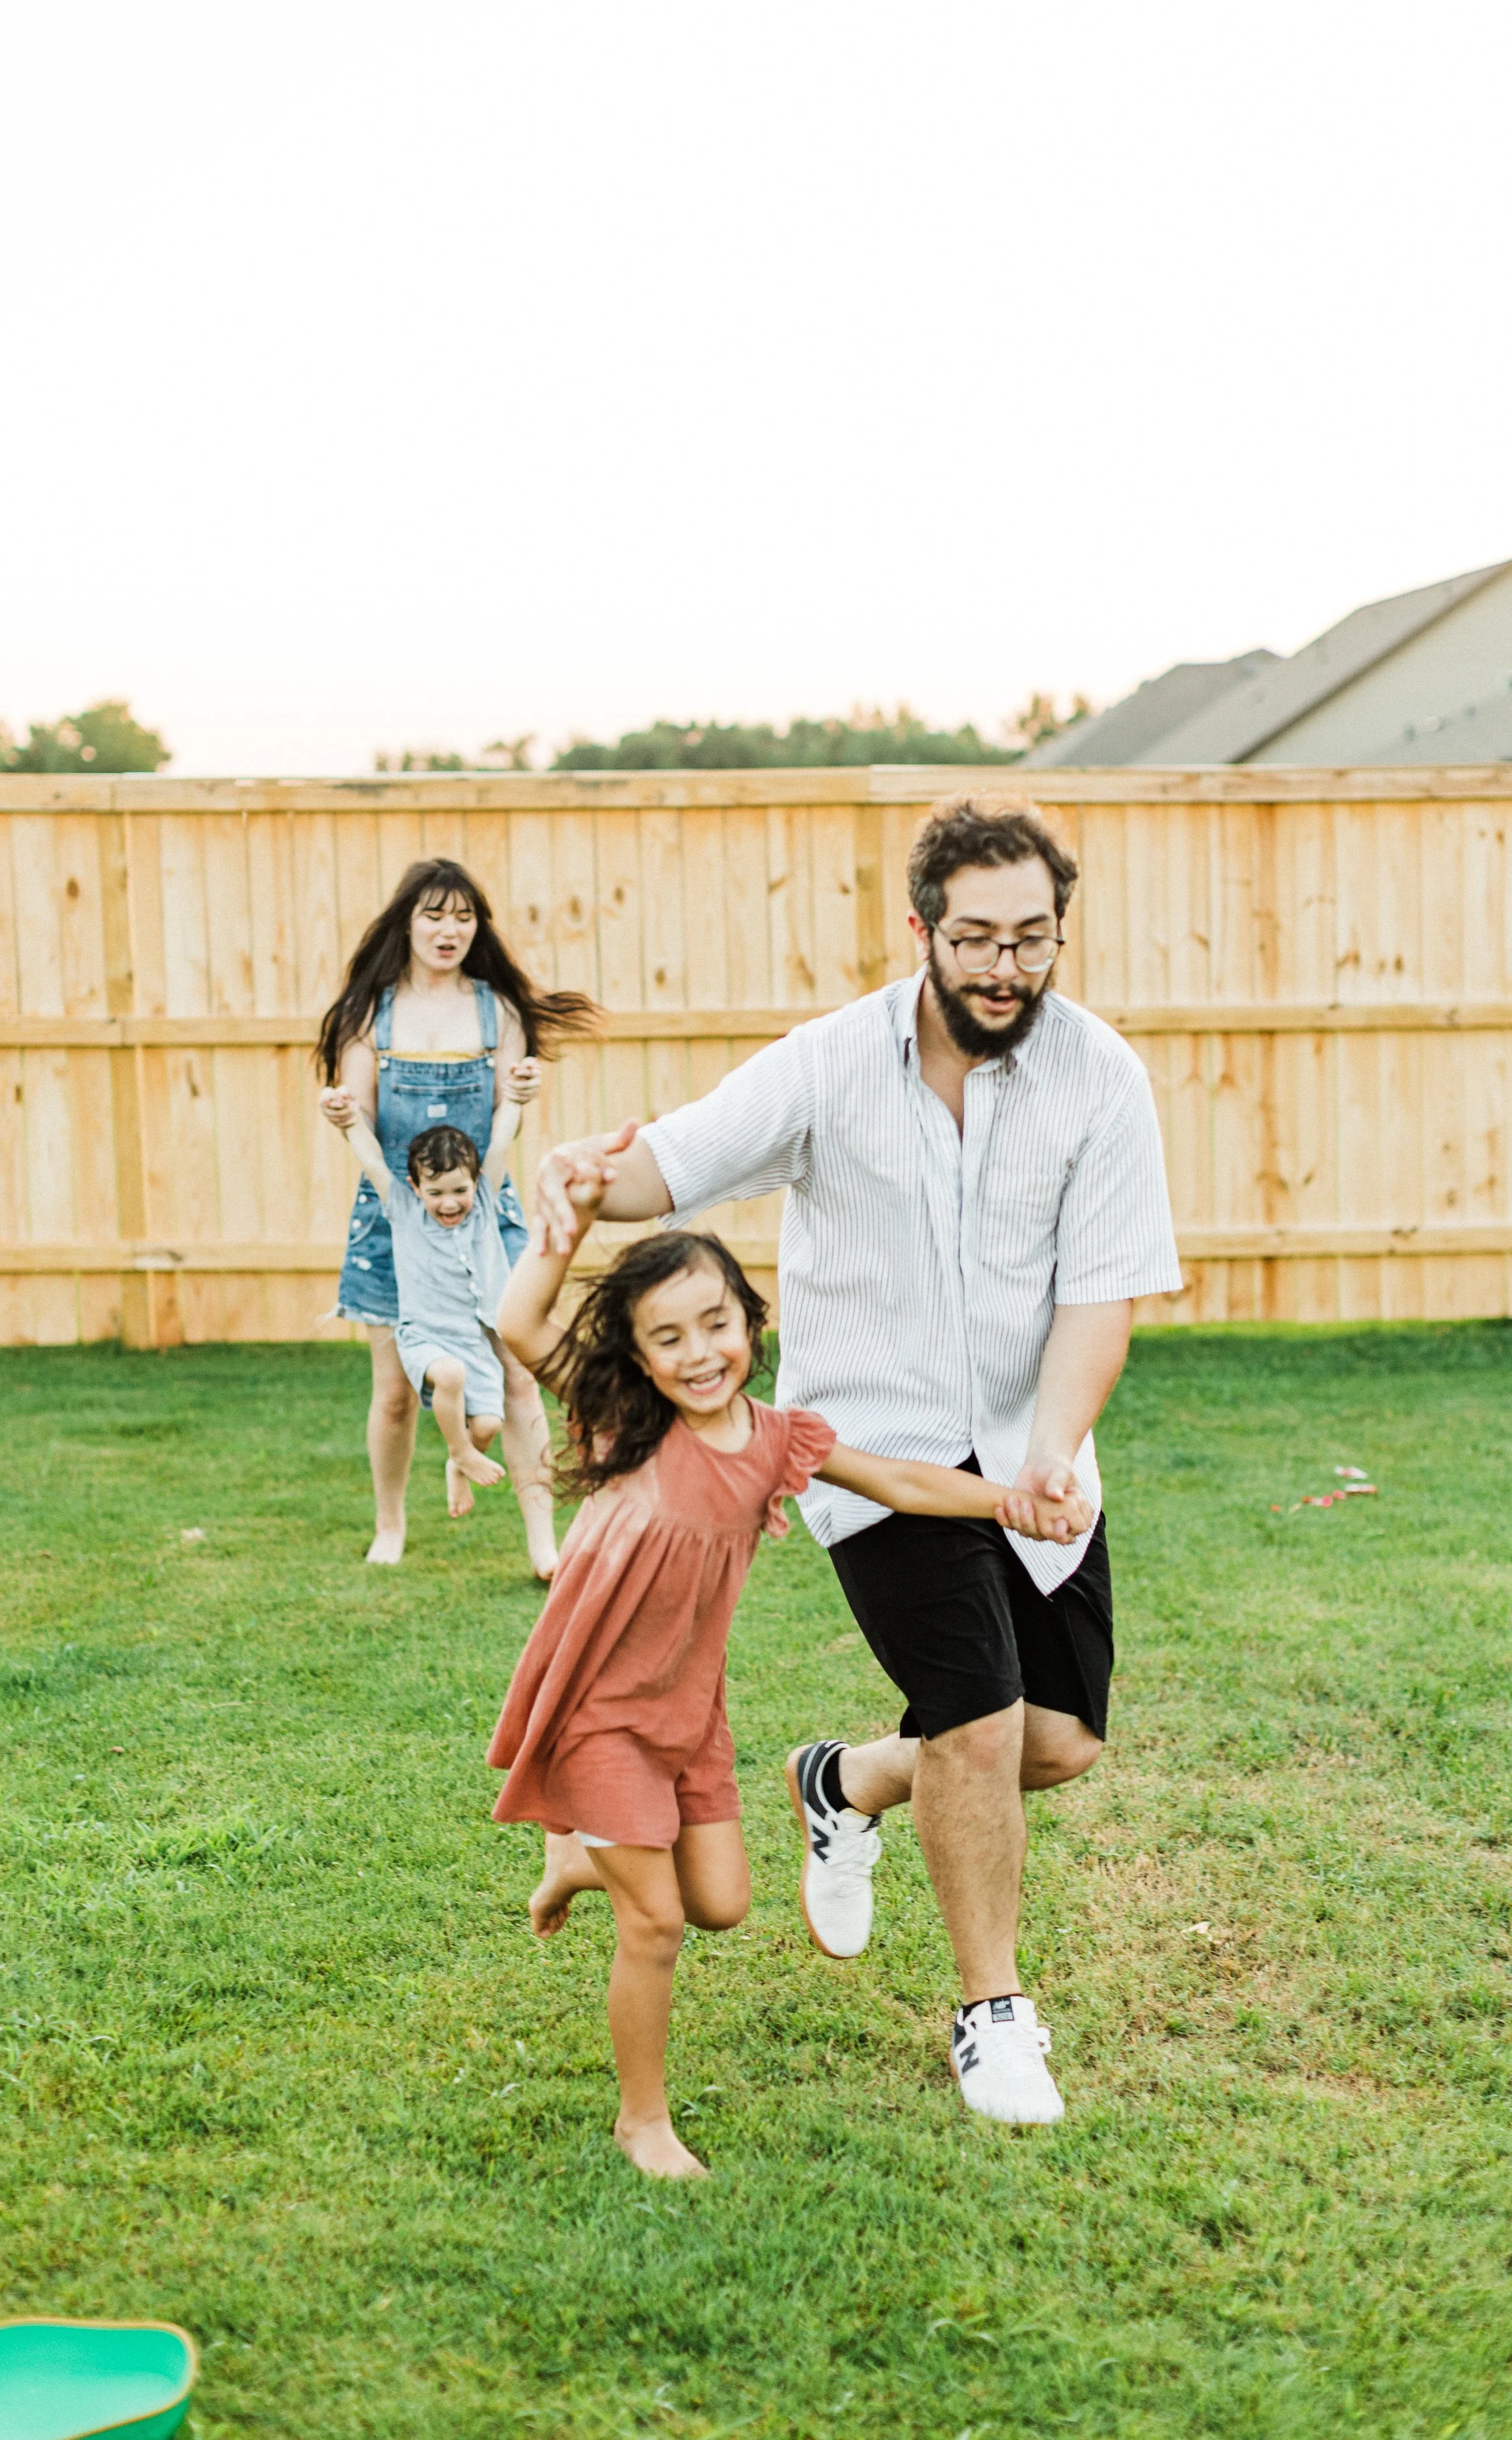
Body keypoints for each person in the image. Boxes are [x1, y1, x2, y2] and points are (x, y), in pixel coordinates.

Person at [528, 795, 1183, 2127]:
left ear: (1059, 935)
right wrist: (581, 1173)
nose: (1004, 967)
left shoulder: (1098, 1077)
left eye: (1032, 940)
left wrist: (1052, 1447)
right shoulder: (830, 1065)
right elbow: (674, 1162)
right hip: (869, 1455)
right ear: (921, 930)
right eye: (976, 938)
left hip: (1026, 1455)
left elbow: (1101, 1293)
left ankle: (839, 1781)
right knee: (978, 1719)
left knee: (1052, 1745)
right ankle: (992, 2015)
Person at [489, 1169, 1090, 2178]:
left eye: (713, 1322)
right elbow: (517, 1319)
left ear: (751, 1320)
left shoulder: (776, 1438)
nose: (697, 1352)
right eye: (665, 1337)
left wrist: (1008, 1503)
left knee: (720, 1900)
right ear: (635, 1356)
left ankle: (588, 1855)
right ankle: (643, 2120)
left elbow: (895, 1479)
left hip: (689, 1713)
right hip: (602, 1711)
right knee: (661, 1924)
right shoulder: (626, 1424)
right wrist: (569, 1221)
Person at [316, 857, 597, 1573]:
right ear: (406, 923)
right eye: (434, 915)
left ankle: (543, 1543)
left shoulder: (494, 1010)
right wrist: (340, 1113)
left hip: (486, 1213)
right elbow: (359, 1121)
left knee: (516, 1377)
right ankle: (390, 1526)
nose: (450, 930)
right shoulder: (367, 1012)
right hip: (396, 1222)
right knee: (395, 1393)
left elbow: (507, 1111)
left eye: (464, 917)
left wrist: (522, 1095)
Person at [320, 1089, 520, 1523]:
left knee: (488, 1425)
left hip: (472, 1338)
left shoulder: (485, 1203)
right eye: (436, 1192)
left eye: (459, 1190)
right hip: (424, 1336)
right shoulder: (405, 1211)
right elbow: (373, 1162)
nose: (450, 1203)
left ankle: (460, 1464)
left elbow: (502, 1142)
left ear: (476, 1181)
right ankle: (460, 1451)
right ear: (416, 1188)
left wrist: (516, 1099)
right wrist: (352, 1121)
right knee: (449, 1374)